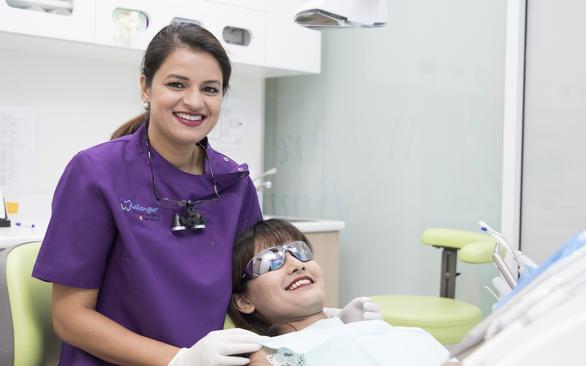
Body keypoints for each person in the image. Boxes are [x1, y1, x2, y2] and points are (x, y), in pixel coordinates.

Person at [32, 22, 379, 366]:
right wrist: (179, 360)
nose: (194, 101)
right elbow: (70, 318)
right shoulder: (97, 172)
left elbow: (254, 295)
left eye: (210, 89)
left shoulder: (234, 183)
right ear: (146, 87)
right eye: (177, 84)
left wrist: (328, 322)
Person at [228, 219, 452, 366]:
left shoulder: (403, 335)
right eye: (270, 260)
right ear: (244, 301)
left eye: (300, 251)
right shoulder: (268, 355)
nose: (296, 263)